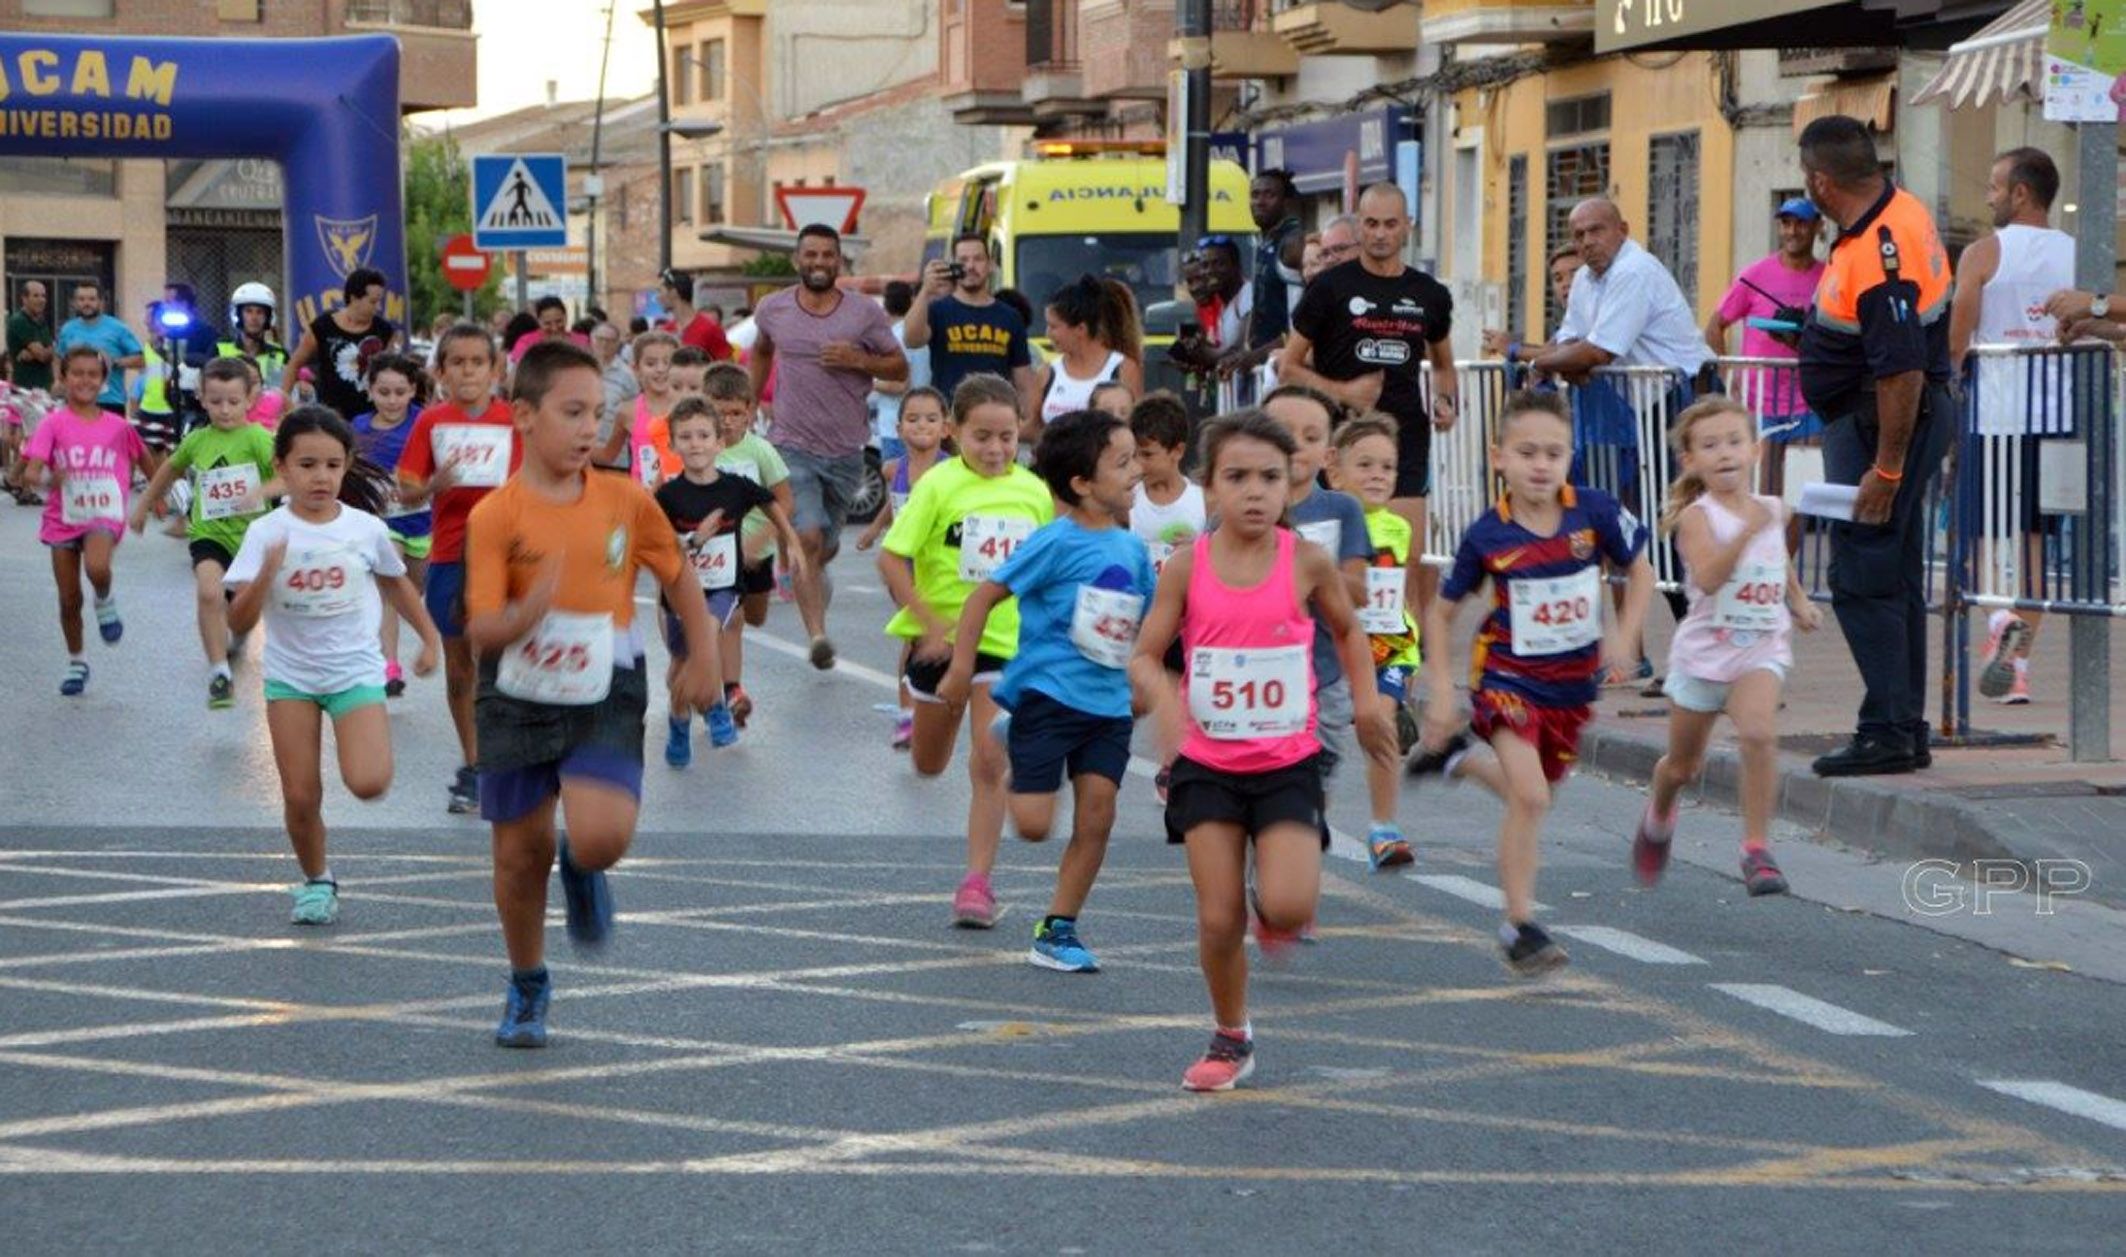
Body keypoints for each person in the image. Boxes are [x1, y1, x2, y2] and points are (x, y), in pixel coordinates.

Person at [464, 340, 719, 1049]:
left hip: (606, 680)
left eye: (598, 414)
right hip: (516, 690)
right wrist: (520, 616)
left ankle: (582, 867)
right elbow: (482, 626)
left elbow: (678, 575)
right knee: (519, 854)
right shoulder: (496, 515)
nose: (588, 428)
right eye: (572, 412)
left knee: (601, 837)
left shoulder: (624, 497)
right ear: (523, 415)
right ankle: (527, 981)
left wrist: (702, 657)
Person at [1131, 410, 1393, 1091]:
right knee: (1218, 917)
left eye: (1270, 478)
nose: (1255, 492)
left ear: (1291, 484)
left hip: (1286, 763)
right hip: (1208, 765)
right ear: (1209, 488)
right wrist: (1164, 703)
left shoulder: (1306, 560)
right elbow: (1144, 654)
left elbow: (1349, 631)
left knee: (1283, 905)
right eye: (1237, 477)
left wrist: (1366, 705)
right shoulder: (1187, 566)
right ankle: (1231, 1035)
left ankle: (1275, 895)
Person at [1415, 390, 1653, 976]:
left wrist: (1624, 636)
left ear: (1571, 455)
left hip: (1571, 687)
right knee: (1531, 797)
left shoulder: (1594, 512)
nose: (1541, 464)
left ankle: (1460, 761)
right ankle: (1519, 924)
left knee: (1534, 789)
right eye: (1527, 452)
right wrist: (1443, 691)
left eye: (1554, 452)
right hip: (1505, 680)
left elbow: (1641, 570)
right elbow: (1443, 612)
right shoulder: (1486, 535)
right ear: (1499, 457)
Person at [938, 408, 1151, 972]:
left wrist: (1149, 675)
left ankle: (1058, 928)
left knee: (1098, 815)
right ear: (1082, 485)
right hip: (1049, 696)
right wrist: (963, 667)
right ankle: (1017, 741)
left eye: (1137, 460)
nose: (1137, 473)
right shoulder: (1056, 543)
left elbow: (1148, 619)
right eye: (1123, 463)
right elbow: (985, 596)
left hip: (1107, 705)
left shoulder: (1132, 550)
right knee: (1033, 826)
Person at [225, 407, 442, 926]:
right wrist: (266, 576)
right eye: (306, 465)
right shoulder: (266, 533)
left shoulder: (365, 529)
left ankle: (355, 775)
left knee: (368, 783)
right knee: (301, 795)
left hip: (354, 673)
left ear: (346, 467)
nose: (320, 477)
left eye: (331, 465)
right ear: (282, 468)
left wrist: (430, 639)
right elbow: (238, 618)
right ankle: (317, 879)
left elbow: (397, 584)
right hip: (291, 678)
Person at [1793, 115, 1955, 778]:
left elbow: (1899, 370)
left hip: (1881, 426)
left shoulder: (1880, 248)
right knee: (1892, 575)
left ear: (1821, 182)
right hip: (1882, 419)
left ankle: (1887, 729)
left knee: (1861, 574)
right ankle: (1902, 725)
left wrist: (1885, 467)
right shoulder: (1900, 211)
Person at [878, 375, 1053, 929]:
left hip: (1004, 644)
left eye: (1007, 437)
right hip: (941, 644)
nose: (997, 449)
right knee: (929, 764)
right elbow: (891, 558)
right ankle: (929, 717)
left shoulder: (1033, 491)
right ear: (954, 432)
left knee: (989, 761)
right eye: (983, 437)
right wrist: (928, 625)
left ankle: (976, 884)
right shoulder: (938, 486)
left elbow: (1048, 569)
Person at [1634, 398, 1821, 897]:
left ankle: (1756, 847)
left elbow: (1775, 560)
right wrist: (1745, 532)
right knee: (1683, 766)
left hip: (1760, 646)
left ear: (1756, 450)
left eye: (1735, 442)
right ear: (1690, 461)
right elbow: (1712, 576)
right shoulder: (1697, 517)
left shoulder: (1773, 510)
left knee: (1758, 733)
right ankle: (1659, 810)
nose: (1725, 454)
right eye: (1710, 446)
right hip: (1703, 655)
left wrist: (1798, 601)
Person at [1281, 183, 1459, 620]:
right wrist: (1346, 393)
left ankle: (1403, 670)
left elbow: (1443, 363)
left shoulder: (1429, 294)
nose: (1380, 234)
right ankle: (1337, 651)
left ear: (1408, 227)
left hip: (1405, 437)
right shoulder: (1328, 289)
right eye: (1372, 223)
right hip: (1341, 439)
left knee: (1405, 557)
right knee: (1341, 558)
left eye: (1390, 224)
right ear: (1359, 226)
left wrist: (1446, 400)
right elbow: (1288, 367)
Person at [749, 223, 908, 671]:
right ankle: (817, 636)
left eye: (827, 256)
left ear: (839, 262)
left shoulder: (863, 314)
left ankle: (815, 567)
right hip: (790, 443)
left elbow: (899, 369)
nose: (819, 263)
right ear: (797, 260)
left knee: (825, 544)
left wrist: (858, 359)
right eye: (811, 255)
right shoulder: (773, 309)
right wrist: (747, 401)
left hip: (846, 450)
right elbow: (761, 351)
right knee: (807, 535)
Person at [1949, 147, 2073, 707]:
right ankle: (2017, 667)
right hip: (2060, 417)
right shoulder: (2079, 253)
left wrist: (1951, 384)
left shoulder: (1983, 253)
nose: (1990, 197)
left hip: (1997, 415)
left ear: (2021, 192)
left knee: (1981, 542)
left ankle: (2000, 620)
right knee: (2035, 550)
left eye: (1996, 188)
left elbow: (1958, 336)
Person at [397, 322, 520, 813]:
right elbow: (404, 486)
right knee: (460, 668)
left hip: (507, 556)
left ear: (495, 369)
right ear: (441, 370)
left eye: (477, 362)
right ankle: (474, 764)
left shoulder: (514, 420)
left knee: (493, 657)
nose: (468, 372)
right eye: (457, 363)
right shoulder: (432, 423)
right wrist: (432, 486)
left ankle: (502, 760)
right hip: (450, 552)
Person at [652, 398, 803, 765]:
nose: (696, 443)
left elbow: (773, 505)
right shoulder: (668, 495)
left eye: (704, 435)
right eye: (685, 437)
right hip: (680, 591)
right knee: (681, 666)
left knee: (705, 634)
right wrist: (691, 542)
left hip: (723, 588)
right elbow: (655, 541)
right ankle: (679, 720)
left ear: (720, 443)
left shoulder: (736, 487)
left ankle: (717, 708)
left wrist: (792, 544)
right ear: (672, 445)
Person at [126, 356, 280, 708]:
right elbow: (169, 470)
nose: (224, 410)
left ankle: (239, 632)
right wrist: (143, 505)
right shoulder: (197, 439)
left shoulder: (257, 438)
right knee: (209, 594)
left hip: (252, 538)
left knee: (243, 608)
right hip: (209, 534)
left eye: (233, 402)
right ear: (202, 398)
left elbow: (284, 476)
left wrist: (259, 493)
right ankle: (218, 672)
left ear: (249, 400)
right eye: (215, 402)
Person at [1261, 385, 1385, 787]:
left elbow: (1359, 593)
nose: (1296, 445)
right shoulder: (1238, 508)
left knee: (1308, 801)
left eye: (1311, 437)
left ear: (1328, 454)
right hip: (1258, 676)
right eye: (1282, 433)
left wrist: (1310, 573)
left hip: (1324, 676)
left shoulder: (1341, 509)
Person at [22, 345, 155, 695]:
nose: (84, 381)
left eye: (92, 375)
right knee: (68, 599)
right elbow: (31, 473)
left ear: (104, 381)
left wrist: (157, 497)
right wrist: (51, 480)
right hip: (62, 518)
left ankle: (104, 596)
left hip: (102, 513)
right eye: (76, 374)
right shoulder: (53, 424)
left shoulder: (117, 426)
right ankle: (77, 661)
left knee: (97, 568)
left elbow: (144, 458)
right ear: (63, 379)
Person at [1331, 414, 1424, 865]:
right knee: (1317, 741)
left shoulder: (1400, 527)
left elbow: (1401, 590)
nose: (1377, 476)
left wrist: (1413, 648)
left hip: (1388, 648)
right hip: (1335, 647)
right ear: (1336, 471)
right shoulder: (1329, 523)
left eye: (1387, 467)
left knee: (1382, 725)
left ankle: (1384, 829)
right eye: (1365, 465)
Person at [1706, 199, 1825, 510]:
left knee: (1801, 497)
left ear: (1817, 227)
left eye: (1801, 223)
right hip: (1761, 403)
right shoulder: (1755, 274)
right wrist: (1728, 377)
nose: (1793, 231)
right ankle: (1762, 559)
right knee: (1764, 495)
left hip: (1811, 402)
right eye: (1786, 223)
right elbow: (1715, 326)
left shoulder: (1829, 277)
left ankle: (1787, 559)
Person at [703, 363, 801, 724]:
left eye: (736, 413)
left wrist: (760, 539)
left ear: (750, 412)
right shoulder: (699, 450)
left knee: (755, 615)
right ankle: (727, 692)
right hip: (714, 556)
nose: (728, 421)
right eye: (719, 412)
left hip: (757, 553)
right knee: (730, 618)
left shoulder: (760, 452)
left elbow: (786, 502)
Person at [857, 385, 949, 749]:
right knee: (914, 636)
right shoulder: (893, 468)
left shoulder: (950, 470)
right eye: (913, 419)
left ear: (946, 428)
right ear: (898, 428)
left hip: (939, 567)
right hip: (903, 567)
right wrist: (874, 529)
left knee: (925, 638)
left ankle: (925, 703)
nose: (921, 425)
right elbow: (894, 508)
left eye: (931, 419)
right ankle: (908, 713)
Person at [350, 353, 430, 697]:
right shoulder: (358, 427)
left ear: (413, 390)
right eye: (384, 392)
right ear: (370, 391)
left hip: (423, 522)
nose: (392, 400)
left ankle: (384, 645)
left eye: (399, 392)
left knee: (410, 593)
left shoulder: (424, 422)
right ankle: (390, 666)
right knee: (390, 586)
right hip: (383, 523)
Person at [905, 233, 1036, 404]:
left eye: (978, 259)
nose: (970, 266)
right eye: (963, 260)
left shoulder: (1010, 317)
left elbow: (1024, 383)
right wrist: (925, 290)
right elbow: (912, 340)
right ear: (953, 265)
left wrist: (1026, 423)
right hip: (949, 419)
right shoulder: (938, 311)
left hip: (994, 418)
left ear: (990, 265)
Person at [281, 267, 398, 423]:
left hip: (371, 417)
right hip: (330, 417)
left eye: (379, 301)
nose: (378, 307)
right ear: (354, 298)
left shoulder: (384, 331)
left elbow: (390, 373)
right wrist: (285, 405)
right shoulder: (323, 327)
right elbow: (294, 364)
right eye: (373, 302)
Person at [1031, 275, 1144, 435]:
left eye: (1053, 327)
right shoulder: (1047, 372)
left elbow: (1136, 428)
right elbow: (1033, 426)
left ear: (1080, 329)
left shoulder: (1123, 368)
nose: (1047, 334)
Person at [595, 330, 679, 480]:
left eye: (668, 363)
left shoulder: (690, 408)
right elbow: (607, 456)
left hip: (683, 498)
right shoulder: (627, 411)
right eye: (651, 363)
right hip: (643, 499)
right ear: (636, 369)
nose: (660, 369)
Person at [54, 282, 144, 416]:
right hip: (75, 400)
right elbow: (58, 357)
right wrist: (58, 381)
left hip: (110, 400)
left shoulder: (118, 328)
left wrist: (113, 362)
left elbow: (141, 360)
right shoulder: (68, 329)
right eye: (81, 299)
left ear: (101, 302)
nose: (86, 303)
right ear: (74, 303)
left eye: (91, 299)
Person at [869, 280, 932, 465]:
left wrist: (869, 380)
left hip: (896, 426)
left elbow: (899, 384)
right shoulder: (921, 334)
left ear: (885, 305)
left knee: (899, 489)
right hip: (924, 422)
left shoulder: (895, 338)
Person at [1482, 246, 1581, 360]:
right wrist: (1511, 343)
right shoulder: (1571, 321)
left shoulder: (1595, 315)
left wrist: (1512, 349)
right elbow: (1548, 350)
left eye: (1575, 275)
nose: (1566, 284)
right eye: (1558, 279)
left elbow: (1563, 353)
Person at [1248, 168, 1307, 354]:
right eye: (1255, 195)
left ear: (1286, 202)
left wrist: (1254, 356)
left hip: (1289, 357)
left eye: (1269, 195)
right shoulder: (1262, 242)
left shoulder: (1294, 242)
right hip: (1264, 357)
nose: (1260, 202)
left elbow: (1306, 319)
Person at [220, 282, 289, 385]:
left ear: (268, 318)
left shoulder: (279, 354)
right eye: (248, 311)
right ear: (238, 315)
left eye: (260, 312)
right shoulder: (221, 348)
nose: (254, 318)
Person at [590, 321, 639, 466]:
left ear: (618, 344)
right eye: (600, 339)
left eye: (610, 341)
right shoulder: (581, 369)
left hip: (615, 458)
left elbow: (634, 413)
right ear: (592, 340)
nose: (604, 344)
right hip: (583, 455)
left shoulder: (627, 376)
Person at [658, 268, 733, 362]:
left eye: (660, 291)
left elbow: (727, 368)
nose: (658, 297)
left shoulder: (710, 329)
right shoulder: (665, 332)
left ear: (674, 293)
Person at [8, 279, 54, 396]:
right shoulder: (19, 321)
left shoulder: (41, 321)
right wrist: (43, 352)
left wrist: (32, 353)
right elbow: (43, 356)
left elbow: (52, 352)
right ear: (24, 299)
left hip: (44, 390)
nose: (41, 300)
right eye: (36, 296)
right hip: (25, 392)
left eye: (43, 296)